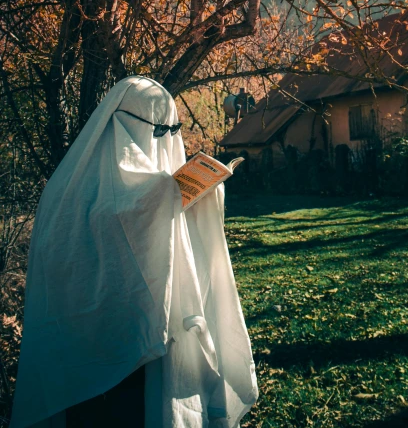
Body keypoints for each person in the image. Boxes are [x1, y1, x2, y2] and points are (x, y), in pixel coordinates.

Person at [11, 76, 257, 428]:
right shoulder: (67, 192)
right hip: (89, 366)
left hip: (156, 360)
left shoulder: (159, 190)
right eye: (159, 134)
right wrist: (162, 198)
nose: (167, 144)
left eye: (173, 132)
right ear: (120, 124)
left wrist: (202, 197)